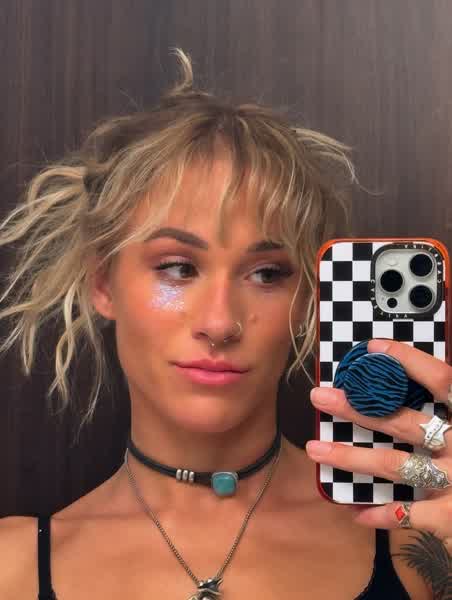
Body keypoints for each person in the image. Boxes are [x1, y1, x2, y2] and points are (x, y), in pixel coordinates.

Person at [0, 48, 450, 600]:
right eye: (178, 267)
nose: (220, 323)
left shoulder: (418, 544)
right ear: (103, 283)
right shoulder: (13, 568)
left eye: (266, 273)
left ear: (309, 299)